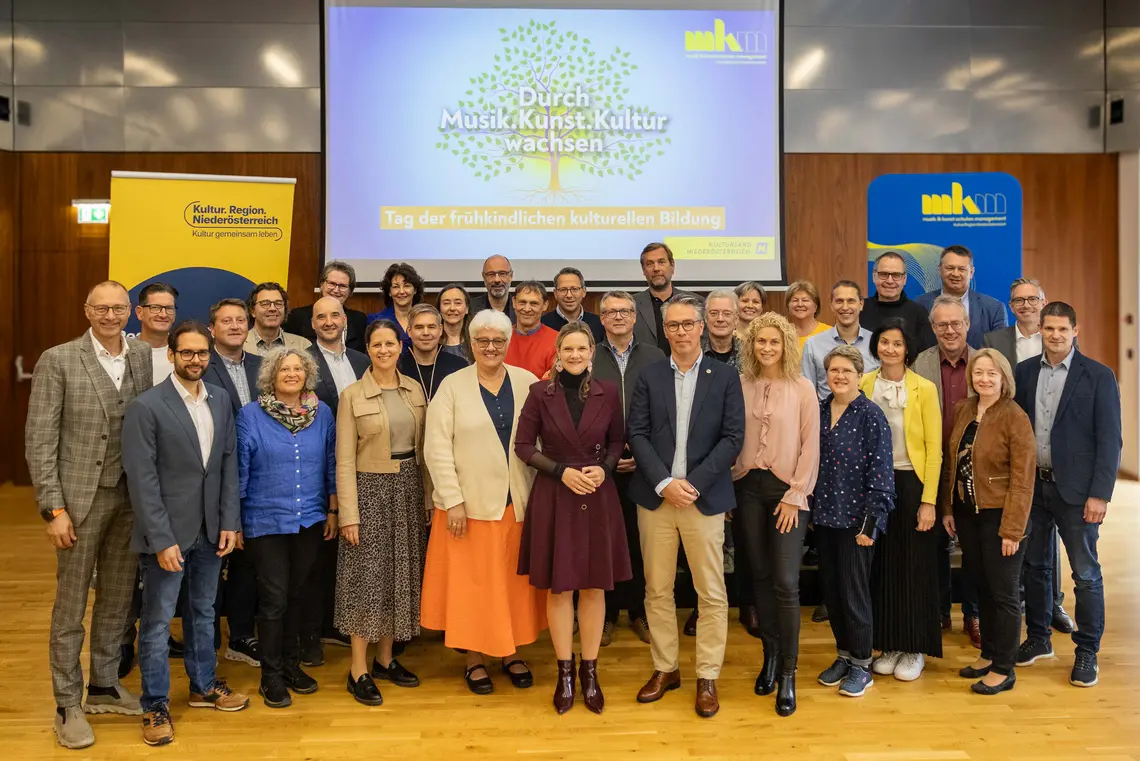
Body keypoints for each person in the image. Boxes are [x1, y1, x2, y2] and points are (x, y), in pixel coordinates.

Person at [26, 281, 153, 749]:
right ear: (87, 310)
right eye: (102, 308)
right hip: (78, 502)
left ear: (129, 312)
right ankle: (67, 701)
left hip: (130, 499)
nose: (111, 315)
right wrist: (53, 508)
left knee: (119, 598)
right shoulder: (58, 359)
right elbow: (40, 440)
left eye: (119, 307)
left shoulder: (141, 357)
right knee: (71, 607)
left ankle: (103, 683)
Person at [123, 321, 248, 746]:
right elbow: (141, 480)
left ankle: (203, 685)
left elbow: (228, 465)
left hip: (212, 531)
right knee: (158, 623)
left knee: (204, 613)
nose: (195, 359)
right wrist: (160, 539)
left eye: (202, 353)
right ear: (172, 355)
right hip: (168, 536)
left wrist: (230, 521)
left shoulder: (221, 400)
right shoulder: (147, 406)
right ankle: (155, 705)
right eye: (187, 353)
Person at [627, 296, 745, 719]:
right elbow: (636, 433)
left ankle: (707, 676)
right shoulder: (650, 374)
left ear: (701, 327)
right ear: (666, 330)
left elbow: (733, 438)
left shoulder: (726, 376)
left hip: (704, 499)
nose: (680, 332)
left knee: (710, 593)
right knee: (657, 590)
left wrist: (691, 484)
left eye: (686, 324)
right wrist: (663, 482)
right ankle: (666, 668)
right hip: (655, 499)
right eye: (672, 325)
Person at [421, 310, 547, 694]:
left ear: (507, 344)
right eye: (483, 341)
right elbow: (437, 446)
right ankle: (474, 657)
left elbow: (544, 437)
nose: (490, 348)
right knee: (473, 587)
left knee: (511, 584)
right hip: (468, 507)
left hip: (518, 503)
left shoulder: (527, 382)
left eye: (498, 341)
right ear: (472, 344)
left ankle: (511, 653)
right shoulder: (452, 385)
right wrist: (452, 500)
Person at [515, 322, 632, 714]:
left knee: (595, 587)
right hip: (556, 492)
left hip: (598, 494)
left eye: (583, 349)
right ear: (558, 354)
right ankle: (565, 672)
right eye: (569, 349)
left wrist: (607, 467)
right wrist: (560, 471)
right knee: (560, 588)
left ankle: (590, 670)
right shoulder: (538, 392)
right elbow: (523, 446)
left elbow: (617, 441)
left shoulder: (609, 392)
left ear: (591, 354)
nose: (576, 355)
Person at [1015, 302, 1122, 688]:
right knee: (1036, 568)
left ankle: (1087, 651)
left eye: (1063, 329)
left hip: (1078, 493)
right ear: (1039, 330)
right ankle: (1039, 639)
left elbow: (1110, 440)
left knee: (1086, 574)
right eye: (1049, 329)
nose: (1055, 335)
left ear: (1076, 330)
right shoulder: (1024, 373)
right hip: (1035, 488)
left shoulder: (1098, 376)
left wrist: (1100, 494)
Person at [336, 319, 431, 706]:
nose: (384, 350)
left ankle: (385, 660)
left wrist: (427, 500)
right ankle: (357, 668)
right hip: (369, 490)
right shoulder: (352, 395)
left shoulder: (414, 390)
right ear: (369, 349)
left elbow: (424, 453)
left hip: (409, 487)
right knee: (366, 579)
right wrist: (348, 515)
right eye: (376, 344)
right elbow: (343, 460)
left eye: (390, 343)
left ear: (400, 347)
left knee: (399, 574)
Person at [237, 347, 337, 708]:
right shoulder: (250, 415)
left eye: (298, 368)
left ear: (306, 373)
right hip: (265, 520)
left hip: (309, 518)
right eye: (284, 369)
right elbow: (241, 470)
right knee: (274, 599)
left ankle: (292, 666)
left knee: (298, 594)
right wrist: (235, 521)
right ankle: (271, 676)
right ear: (271, 376)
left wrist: (333, 509)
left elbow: (330, 462)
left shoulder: (322, 414)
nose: (292, 374)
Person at [732, 313, 819, 717]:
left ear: (786, 345)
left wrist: (795, 494)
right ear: (751, 345)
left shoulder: (802, 389)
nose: (767, 348)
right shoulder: (740, 385)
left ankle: (788, 672)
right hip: (748, 489)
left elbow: (810, 446)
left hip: (788, 494)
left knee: (786, 582)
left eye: (774, 342)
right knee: (761, 577)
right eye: (760, 341)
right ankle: (768, 656)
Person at [939, 349, 1035, 695]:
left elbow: (1024, 480)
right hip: (967, 514)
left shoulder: (1014, 416)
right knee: (981, 586)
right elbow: (952, 462)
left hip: (1000, 516)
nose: (984, 379)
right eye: (979, 372)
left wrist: (1012, 529)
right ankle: (989, 653)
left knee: (1004, 592)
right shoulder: (964, 409)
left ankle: (1004, 667)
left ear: (1003, 378)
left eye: (992, 373)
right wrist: (948, 509)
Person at [985, 279, 1074, 635]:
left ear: (1043, 302)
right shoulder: (996, 342)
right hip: (1012, 444)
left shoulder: (1057, 337)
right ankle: (1022, 601)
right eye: (1018, 300)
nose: (1025, 305)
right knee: (1023, 533)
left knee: (1048, 539)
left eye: (1032, 299)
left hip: (1053, 451)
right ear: (1010, 305)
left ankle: (1053, 604)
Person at [859, 319, 943, 683]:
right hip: (876, 484)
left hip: (912, 482)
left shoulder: (923, 388)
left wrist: (929, 501)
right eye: (884, 342)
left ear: (907, 348)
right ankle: (889, 643)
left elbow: (935, 450)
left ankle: (915, 647)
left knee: (914, 565)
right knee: (883, 567)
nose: (890, 349)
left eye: (897, 343)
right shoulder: (864, 383)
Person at [813, 345, 895, 699]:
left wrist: (871, 525)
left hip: (856, 523)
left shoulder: (871, 415)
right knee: (832, 594)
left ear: (859, 376)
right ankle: (844, 655)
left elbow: (881, 474)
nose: (840, 376)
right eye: (834, 370)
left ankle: (862, 664)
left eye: (847, 370)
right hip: (824, 519)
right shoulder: (818, 411)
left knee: (854, 594)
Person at [593, 291, 666, 646]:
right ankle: (607, 614)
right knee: (605, 543)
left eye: (624, 311)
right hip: (599, 467)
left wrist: (642, 452)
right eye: (610, 311)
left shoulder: (654, 356)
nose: (618, 316)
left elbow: (664, 410)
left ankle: (639, 612)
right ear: (601, 318)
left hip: (645, 464)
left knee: (642, 543)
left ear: (635, 317)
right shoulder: (589, 354)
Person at [302, 295, 369, 665]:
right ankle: (314, 632)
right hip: (318, 469)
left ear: (345, 320)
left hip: (363, 469)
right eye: (321, 316)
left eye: (335, 315)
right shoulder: (303, 364)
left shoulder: (363, 361)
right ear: (312, 324)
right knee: (319, 556)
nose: (328, 321)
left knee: (352, 553)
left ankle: (344, 623)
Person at [913, 295, 981, 646]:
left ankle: (973, 614)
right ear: (933, 328)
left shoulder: (984, 363)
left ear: (968, 325)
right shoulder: (921, 363)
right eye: (942, 325)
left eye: (956, 323)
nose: (950, 330)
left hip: (972, 470)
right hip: (931, 468)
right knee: (933, 546)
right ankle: (938, 613)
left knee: (972, 547)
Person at [202, 298, 262, 668]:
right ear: (213, 329)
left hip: (257, 476)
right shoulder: (199, 366)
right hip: (214, 474)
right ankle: (204, 638)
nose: (236, 326)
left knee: (247, 562)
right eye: (226, 320)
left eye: (241, 320)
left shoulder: (261, 366)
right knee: (212, 557)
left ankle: (241, 635)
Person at [699, 289, 753, 639]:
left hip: (744, 459)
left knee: (745, 537)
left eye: (726, 313)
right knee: (705, 540)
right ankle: (703, 608)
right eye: (713, 313)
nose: (720, 319)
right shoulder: (691, 353)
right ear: (705, 319)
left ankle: (747, 604)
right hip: (701, 463)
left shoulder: (752, 357)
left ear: (737, 318)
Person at [915, 245, 1008, 349]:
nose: (955, 274)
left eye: (961, 269)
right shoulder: (919, 305)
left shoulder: (994, 309)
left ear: (971, 273)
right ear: (939, 270)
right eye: (950, 268)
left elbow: (1000, 354)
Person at [801, 280, 879, 400]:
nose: (845, 307)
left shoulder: (876, 343)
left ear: (861, 304)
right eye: (839, 301)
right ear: (831, 305)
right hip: (826, 417)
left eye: (851, 301)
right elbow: (806, 393)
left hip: (868, 417)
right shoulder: (813, 345)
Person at [284, 261, 368, 353]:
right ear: (321, 285)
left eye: (342, 286)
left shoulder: (359, 320)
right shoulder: (298, 317)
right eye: (331, 284)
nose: (336, 290)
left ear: (350, 291)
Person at [860, 252, 935, 351]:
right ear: (874, 277)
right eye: (883, 274)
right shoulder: (859, 309)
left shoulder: (919, 314)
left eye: (896, 275)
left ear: (904, 279)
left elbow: (927, 356)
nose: (890, 281)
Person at [632, 242, 698, 356]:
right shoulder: (631, 305)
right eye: (650, 264)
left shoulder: (695, 302)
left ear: (672, 266)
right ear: (643, 270)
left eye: (661, 262)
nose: (656, 268)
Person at [397, 303, 468, 401]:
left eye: (431, 327)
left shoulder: (459, 366)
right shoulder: (397, 367)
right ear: (409, 331)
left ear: (440, 330)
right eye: (419, 327)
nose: (426, 333)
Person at [504, 281, 559, 378]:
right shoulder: (499, 338)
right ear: (514, 302)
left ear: (545, 305)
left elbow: (553, 383)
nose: (527, 309)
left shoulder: (558, 340)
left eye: (534, 303)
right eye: (522, 302)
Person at [244, 282, 312, 355]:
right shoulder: (238, 343)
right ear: (252, 311)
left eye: (278, 303)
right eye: (265, 304)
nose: (273, 308)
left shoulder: (303, 346)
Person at [541, 267, 605, 342]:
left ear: (584, 291)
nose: (569, 295)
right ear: (555, 293)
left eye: (574, 289)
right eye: (563, 290)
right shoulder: (543, 324)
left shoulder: (599, 323)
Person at [367, 262, 424, 346]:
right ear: (389, 292)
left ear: (415, 290)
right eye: (396, 287)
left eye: (407, 286)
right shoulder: (376, 320)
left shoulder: (425, 319)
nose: (401, 291)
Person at [135, 282, 179, 383]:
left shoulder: (184, 353)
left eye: (169, 308)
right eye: (155, 308)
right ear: (139, 312)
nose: (163, 315)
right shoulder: (124, 352)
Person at [469, 254, 516, 322]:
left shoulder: (520, 309)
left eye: (502, 273)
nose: (497, 280)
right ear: (484, 277)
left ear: (511, 276)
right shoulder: (470, 308)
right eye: (491, 274)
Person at [785, 280, 831, 349]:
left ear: (815, 306)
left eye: (805, 300)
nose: (800, 304)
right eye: (795, 300)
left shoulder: (829, 333)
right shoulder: (782, 333)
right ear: (788, 306)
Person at [438, 282, 473, 362]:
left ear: (467, 308)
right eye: (446, 303)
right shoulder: (432, 340)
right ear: (439, 309)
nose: (452, 308)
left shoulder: (476, 340)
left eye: (458, 303)